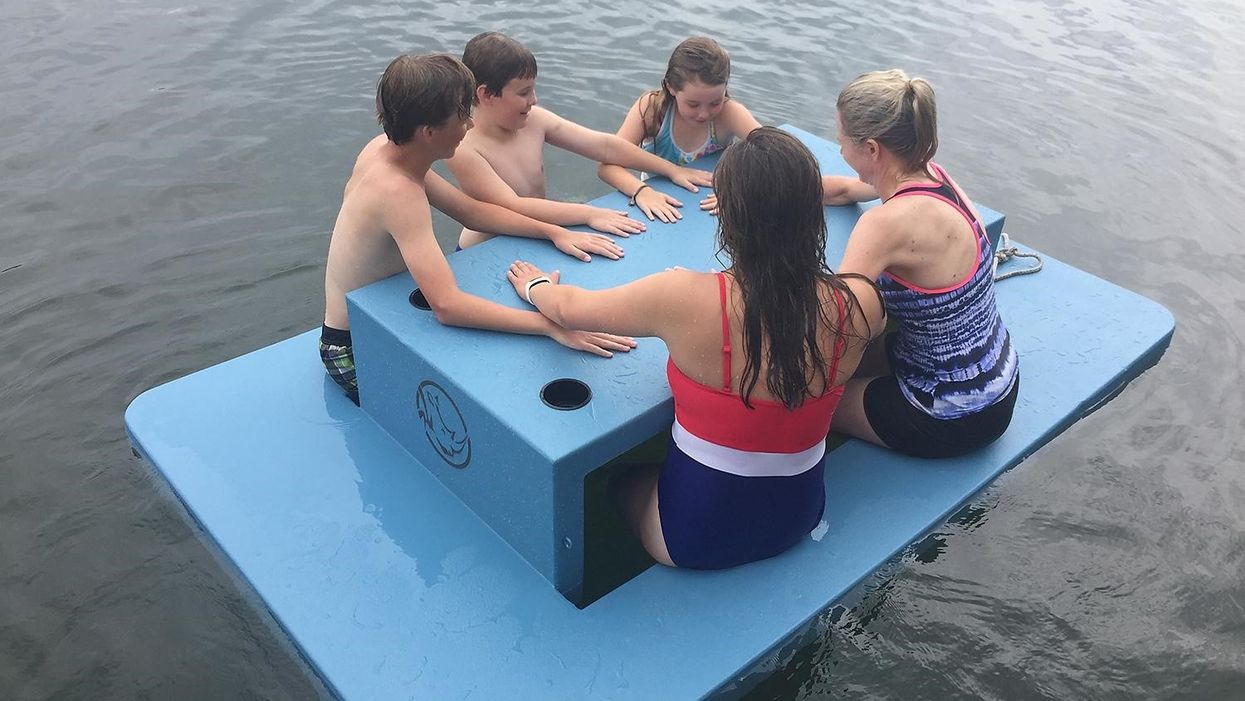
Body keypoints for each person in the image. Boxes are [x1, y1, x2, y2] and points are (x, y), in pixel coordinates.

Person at [505, 128, 886, 569]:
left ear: (730, 217)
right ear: (813, 212)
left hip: (694, 541)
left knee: (618, 480)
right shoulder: (861, 302)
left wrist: (534, 286)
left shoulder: (681, 296)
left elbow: (569, 309)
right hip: (799, 517)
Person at [321, 54, 634, 405]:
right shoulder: (398, 193)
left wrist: (552, 231)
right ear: (429, 133)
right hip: (354, 348)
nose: (470, 125)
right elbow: (448, 306)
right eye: (462, 116)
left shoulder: (384, 149)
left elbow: (470, 212)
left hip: (379, 317)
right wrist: (550, 326)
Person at [829, 69, 1020, 458]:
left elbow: (834, 322)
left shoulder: (883, 224)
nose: (838, 147)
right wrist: (773, 191)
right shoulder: (933, 175)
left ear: (871, 149)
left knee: (805, 399)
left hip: (948, 413)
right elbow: (848, 189)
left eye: (841, 139)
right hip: (998, 379)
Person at [446, 31, 715, 250]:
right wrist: (588, 214)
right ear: (486, 94)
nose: (534, 100)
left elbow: (604, 145)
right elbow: (513, 206)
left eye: (533, 90)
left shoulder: (535, 121)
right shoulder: (465, 147)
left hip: (539, 233)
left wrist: (672, 170)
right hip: (485, 247)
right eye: (524, 92)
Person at [599, 36, 876, 220]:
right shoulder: (651, 109)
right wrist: (641, 191)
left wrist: (743, 194)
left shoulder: (729, 113)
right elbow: (608, 166)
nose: (704, 113)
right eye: (693, 104)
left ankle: (879, 184)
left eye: (714, 102)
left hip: (715, 204)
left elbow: (775, 152)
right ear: (671, 88)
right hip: (657, 203)